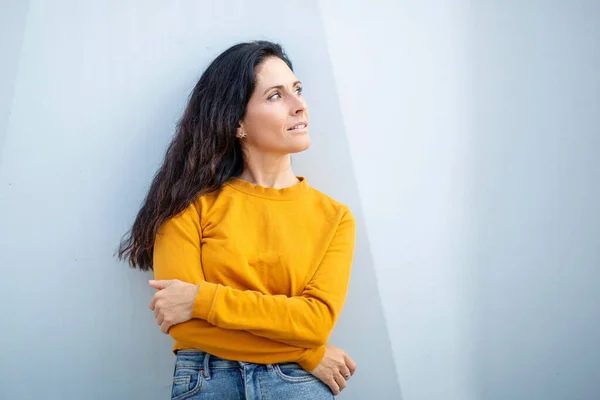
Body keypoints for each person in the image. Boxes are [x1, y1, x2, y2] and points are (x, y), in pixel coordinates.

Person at [118, 40, 357, 400]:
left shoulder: (335, 218)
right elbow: (184, 325)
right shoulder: (187, 206)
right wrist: (308, 353)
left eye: (297, 90)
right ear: (237, 122)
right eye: (276, 96)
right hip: (209, 379)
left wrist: (202, 299)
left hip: (297, 387)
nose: (300, 106)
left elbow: (315, 322)